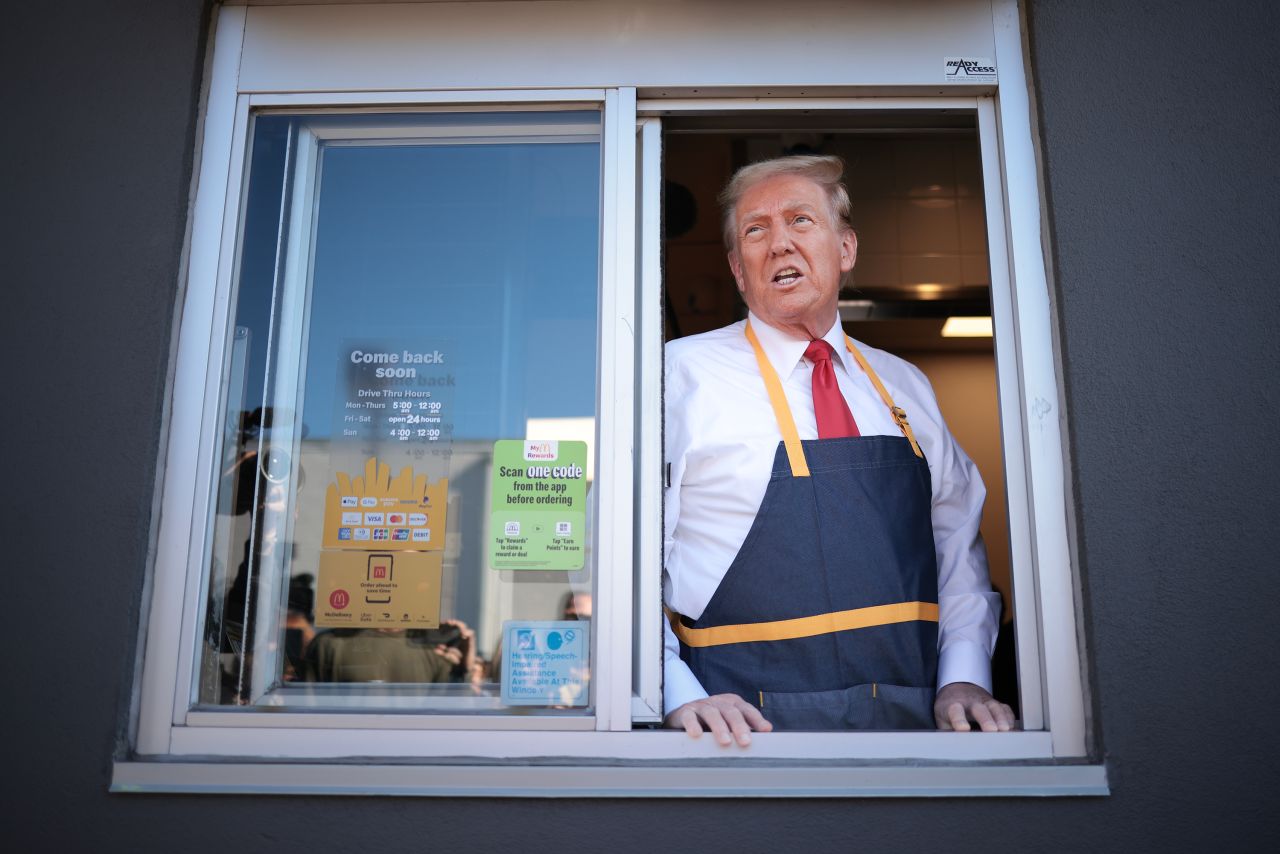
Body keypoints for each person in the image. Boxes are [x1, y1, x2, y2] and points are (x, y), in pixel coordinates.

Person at [662, 155, 1014, 746]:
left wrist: (966, 679)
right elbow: (624, 558)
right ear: (737, 269)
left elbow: (956, 545)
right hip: (736, 733)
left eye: (801, 221)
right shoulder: (678, 375)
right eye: (756, 230)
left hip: (915, 733)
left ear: (845, 249)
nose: (779, 245)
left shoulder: (906, 385)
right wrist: (674, 691)